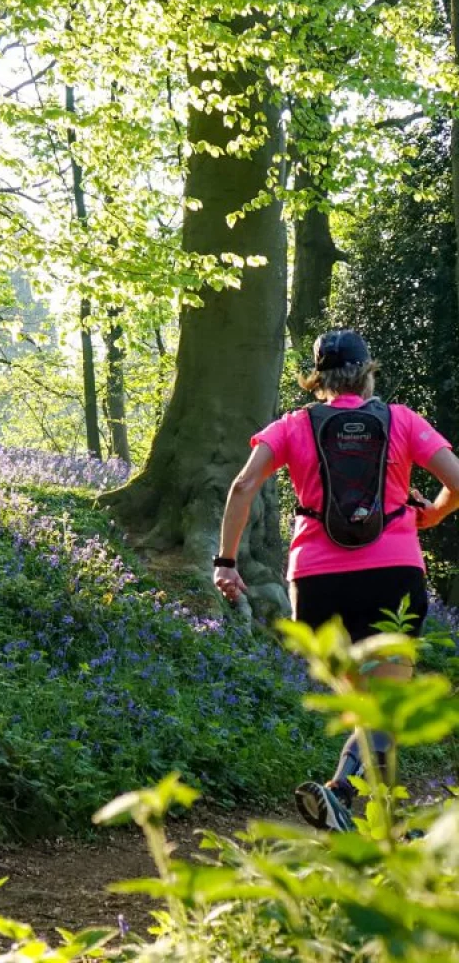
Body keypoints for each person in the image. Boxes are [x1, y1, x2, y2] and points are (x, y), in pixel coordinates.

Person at [213, 328, 459, 832]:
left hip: (317, 585)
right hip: (393, 574)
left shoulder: (292, 426)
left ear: (317, 379)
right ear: (368, 373)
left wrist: (226, 561)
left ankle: (382, 822)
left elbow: (243, 486)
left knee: (365, 707)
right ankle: (342, 792)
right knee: (383, 710)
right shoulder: (402, 421)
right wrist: (432, 513)